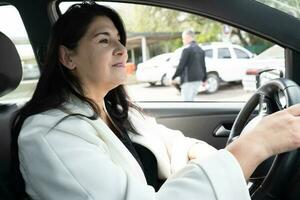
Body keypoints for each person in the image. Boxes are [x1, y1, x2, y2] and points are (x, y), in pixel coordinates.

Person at [10, 2, 300, 200]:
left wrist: (203, 155)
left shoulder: (115, 111)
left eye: (120, 40)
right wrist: (251, 148)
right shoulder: (48, 134)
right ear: (67, 57)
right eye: (104, 40)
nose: (122, 50)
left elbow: (175, 143)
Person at [172, 29, 207, 101]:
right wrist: (204, 79)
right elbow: (203, 66)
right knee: (191, 100)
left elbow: (181, 65)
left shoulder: (187, 49)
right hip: (198, 79)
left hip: (188, 80)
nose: (183, 41)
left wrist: (174, 77)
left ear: (187, 37)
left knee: (186, 102)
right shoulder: (200, 50)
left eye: (183, 39)